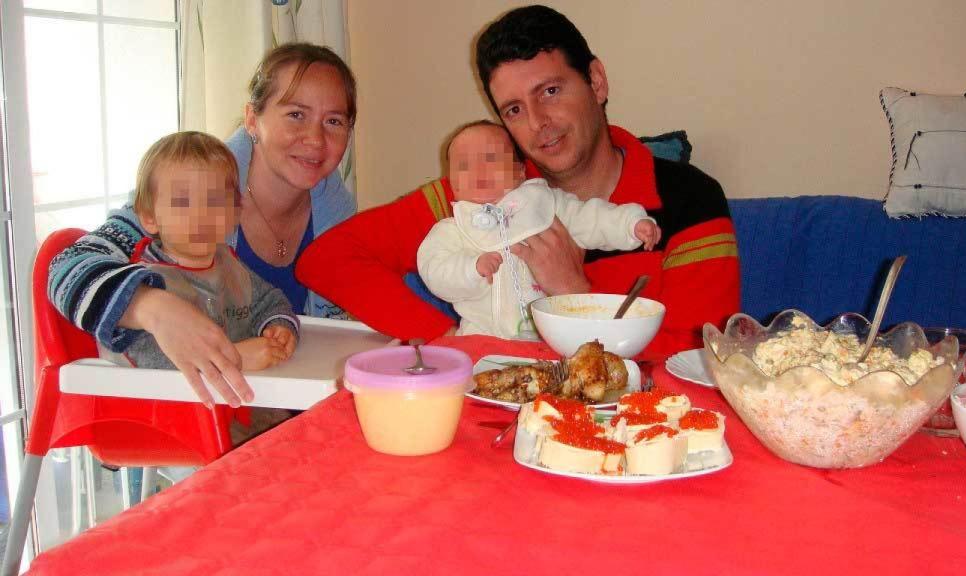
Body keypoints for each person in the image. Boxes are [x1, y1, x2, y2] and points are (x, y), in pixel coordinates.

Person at [297, 5, 740, 357]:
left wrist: (575, 294)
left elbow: (702, 360)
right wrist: (446, 339)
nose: (537, 123)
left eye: (550, 91)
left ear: (597, 82)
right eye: (513, 109)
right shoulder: (480, 196)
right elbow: (327, 261)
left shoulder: (688, 199)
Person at [48, 42, 357, 407]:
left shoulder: (337, 213)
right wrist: (151, 306)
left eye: (333, 121)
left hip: (281, 404)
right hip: (193, 413)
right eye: (296, 114)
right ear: (253, 120)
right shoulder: (188, 194)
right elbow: (66, 269)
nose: (316, 139)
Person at [417, 120, 660, 338]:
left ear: (520, 171)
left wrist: (630, 223)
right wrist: (471, 269)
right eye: (464, 165)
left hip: (549, 337)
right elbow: (435, 271)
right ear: (453, 184)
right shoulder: (451, 230)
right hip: (482, 336)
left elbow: (589, 217)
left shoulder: (543, 203)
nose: (479, 170)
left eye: (491, 159)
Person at [98, 131, 298, 373]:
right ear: (150, 217)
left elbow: (269, 301)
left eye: (214, 201)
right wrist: (235, 360)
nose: (201, 215)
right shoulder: (144, 283)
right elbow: (145, 362)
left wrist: (278, 327)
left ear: (235, 212)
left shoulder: (229, 266)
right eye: (183, 202)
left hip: (232, 402)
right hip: (163, 407)